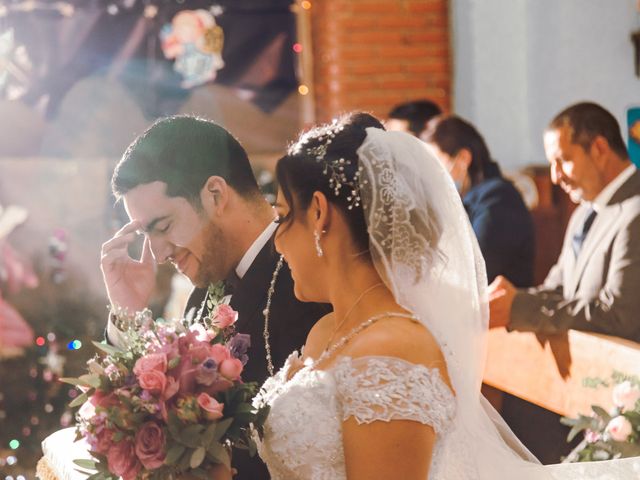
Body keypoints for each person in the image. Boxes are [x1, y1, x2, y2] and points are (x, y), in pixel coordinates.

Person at [250, 112, 640, 479]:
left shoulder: (392, 354)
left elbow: (620, 311)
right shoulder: (327, 331)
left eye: (283, 216)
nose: (278, 242)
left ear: (319, 213)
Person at [100, 115, 330, 479]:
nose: (157, 254)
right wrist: (127, 312)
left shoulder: (310, 281)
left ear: (216, 195)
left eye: (163, 227)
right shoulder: (200, 299)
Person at [489, 102, 640, 342]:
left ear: (599, 149)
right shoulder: (584, 213)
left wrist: (517, 309)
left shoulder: (635, 212)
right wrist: (505, 300)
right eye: (551, 164)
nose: (555, 177)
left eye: (563, 160)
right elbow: (559, 291)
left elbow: (620, 317)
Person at [422, 114, 535, 287]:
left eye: (437, 161)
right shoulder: (468, 197)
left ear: (463, 158)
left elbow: (475, 270)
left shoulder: (498, 198)